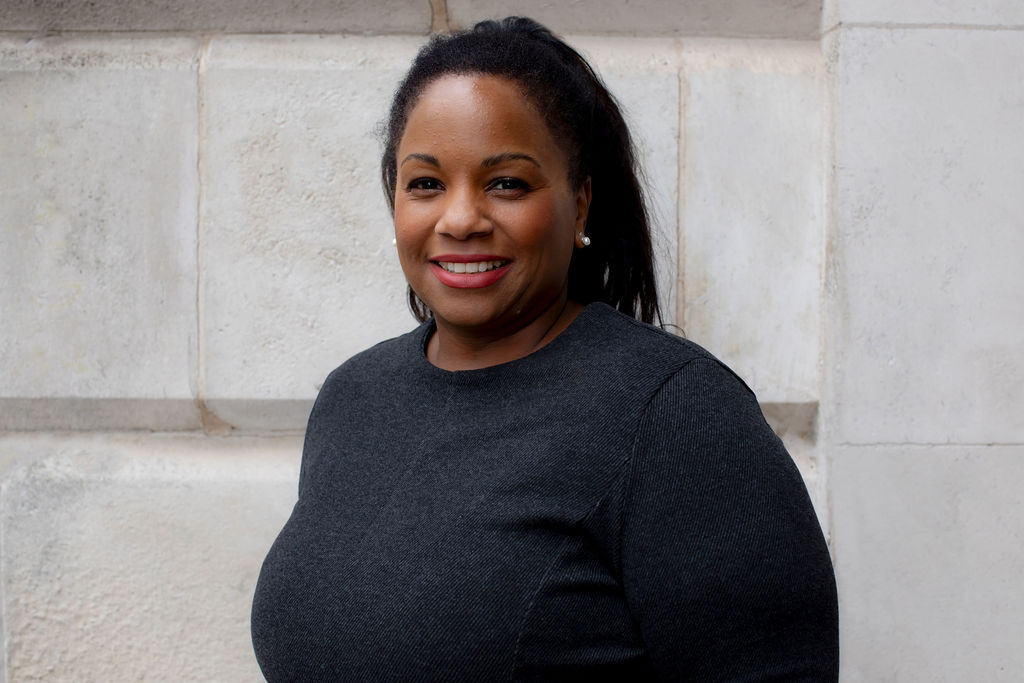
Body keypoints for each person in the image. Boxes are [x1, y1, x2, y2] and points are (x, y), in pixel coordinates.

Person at [251, 16, 838, 681]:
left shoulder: (677, 417)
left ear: (579, 205)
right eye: (425, 183)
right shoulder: (354, 398)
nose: (461, 217)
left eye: (506, 183)